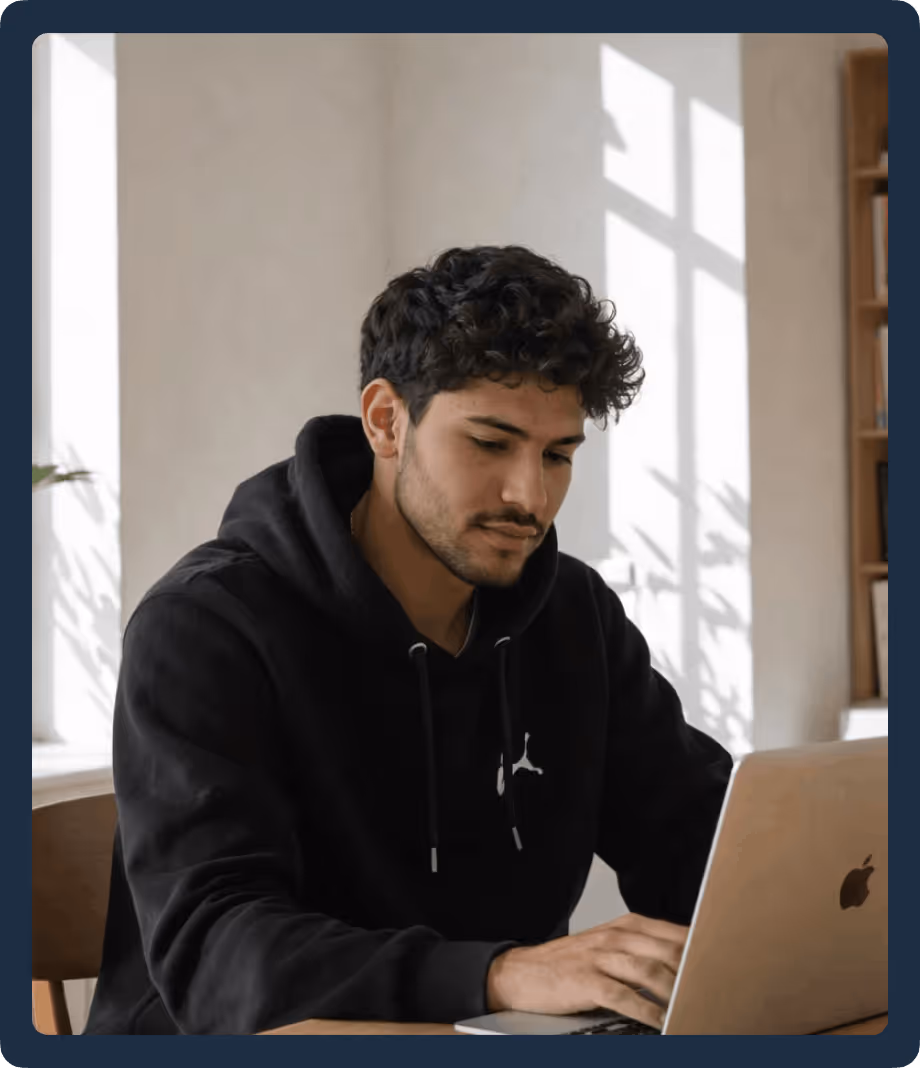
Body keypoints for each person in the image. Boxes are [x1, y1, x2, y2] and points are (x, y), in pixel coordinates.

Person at [84, 245, 733, 1035]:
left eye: (558, 455)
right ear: (386, 421)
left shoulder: (572, 616)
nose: (531, 496)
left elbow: (697, 841)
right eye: (490, 444)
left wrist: (794, 917)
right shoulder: (206, 628)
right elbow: (220, 959)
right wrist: (499, 976)